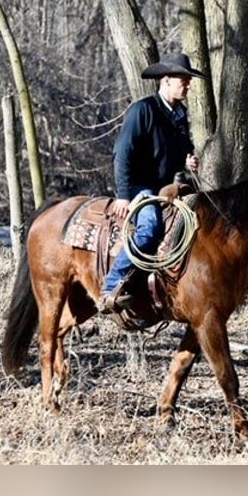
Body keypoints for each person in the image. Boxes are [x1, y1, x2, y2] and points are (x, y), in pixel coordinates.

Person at [98, 52, 207, 314]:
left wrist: (187, 161)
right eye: (183, 80)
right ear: (166, 80)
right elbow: (122, 153)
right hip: (139, 187)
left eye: (188, 80)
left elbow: (180, 150)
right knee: (150, 227)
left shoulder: (179, 114)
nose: (188, 85)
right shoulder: (142, 110)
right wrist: (124, 195)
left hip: (164, 188)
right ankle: (110, 288)